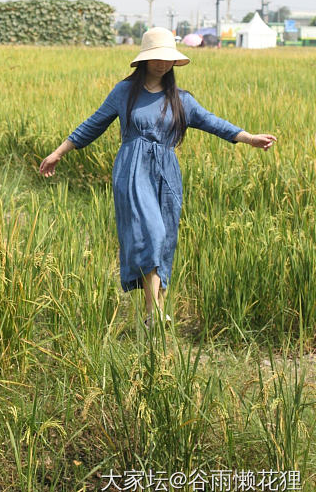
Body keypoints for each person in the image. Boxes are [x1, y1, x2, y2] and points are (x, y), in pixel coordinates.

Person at [39, 27, 276, 329]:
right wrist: (60, 151)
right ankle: (153, 314)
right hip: (132, 168)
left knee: (164, 240)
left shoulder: (181, 99)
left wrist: (249, 138)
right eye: (157, 58)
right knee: (150, 233)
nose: (163, 64)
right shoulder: (124, 92)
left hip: (167, 172)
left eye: (168, 59)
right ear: (144, 60)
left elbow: (213, 122)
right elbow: (93, 123)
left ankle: (155, 317)